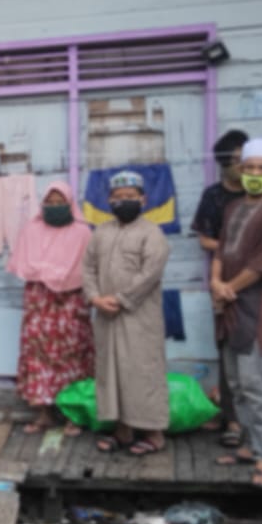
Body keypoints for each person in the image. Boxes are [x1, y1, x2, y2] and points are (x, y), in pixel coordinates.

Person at [192, 131, 262, 446]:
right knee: (232, 362)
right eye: (242, 164)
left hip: (257, 291)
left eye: (261, 167)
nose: (252, 172)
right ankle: (234, 422)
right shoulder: (218, 199)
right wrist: (220, 280)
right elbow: (208, 240)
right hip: (225, 289)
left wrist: (238, 263)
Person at [211, 138, 262, 488]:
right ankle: (247, 445)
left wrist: (230, 287)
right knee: (234, 381)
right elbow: (220, 248)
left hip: (256, 306)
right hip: (227, 305)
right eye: (250, 168)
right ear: (240, 171)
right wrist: (216, 281)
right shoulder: (233, 208)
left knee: (255, 382)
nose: (256, 174)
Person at [82, 170, 171, 456]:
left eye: (130, 197)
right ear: (109, 200)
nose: (124, 202)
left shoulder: (152, 233)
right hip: (105, 317)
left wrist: (120, 299)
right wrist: (95, 298)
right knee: (111, 372)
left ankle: (154, 434)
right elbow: (88, 268)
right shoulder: (101, 232)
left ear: (143, 199)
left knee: (142, 372)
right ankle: (122, 431)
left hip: (138, 317)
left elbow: (150, 273)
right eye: (118, 197)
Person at [7, 181, 95, 436]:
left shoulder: (83, 233)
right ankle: (43, 414)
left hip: (70, 304)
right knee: (38, 357)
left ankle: (74, 415)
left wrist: (57, 275)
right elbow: (25, 264)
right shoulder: (31, 230)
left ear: (70, 204)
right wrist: (49, 274)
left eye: (61, 203)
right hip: (40, 304)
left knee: (73, 358)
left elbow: (87, 269)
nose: (55, 207)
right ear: (43, 204)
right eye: (50, 203)